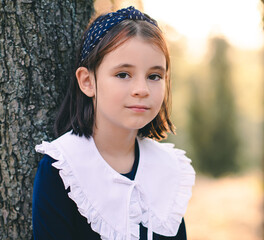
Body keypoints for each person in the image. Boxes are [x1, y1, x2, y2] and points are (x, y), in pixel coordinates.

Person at [32, 6, 195, 240]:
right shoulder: (62, 170)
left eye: (154, 76)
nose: (141, 89)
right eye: (123, 74)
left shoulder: (167, 168)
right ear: (87, 81)